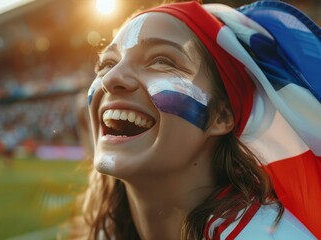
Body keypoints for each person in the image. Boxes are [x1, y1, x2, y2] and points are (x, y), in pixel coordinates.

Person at [71, 0, 320, 239]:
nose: (111, 78)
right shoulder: (106, 232)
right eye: (107, 63)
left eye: (161, 61)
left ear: (221, 116)